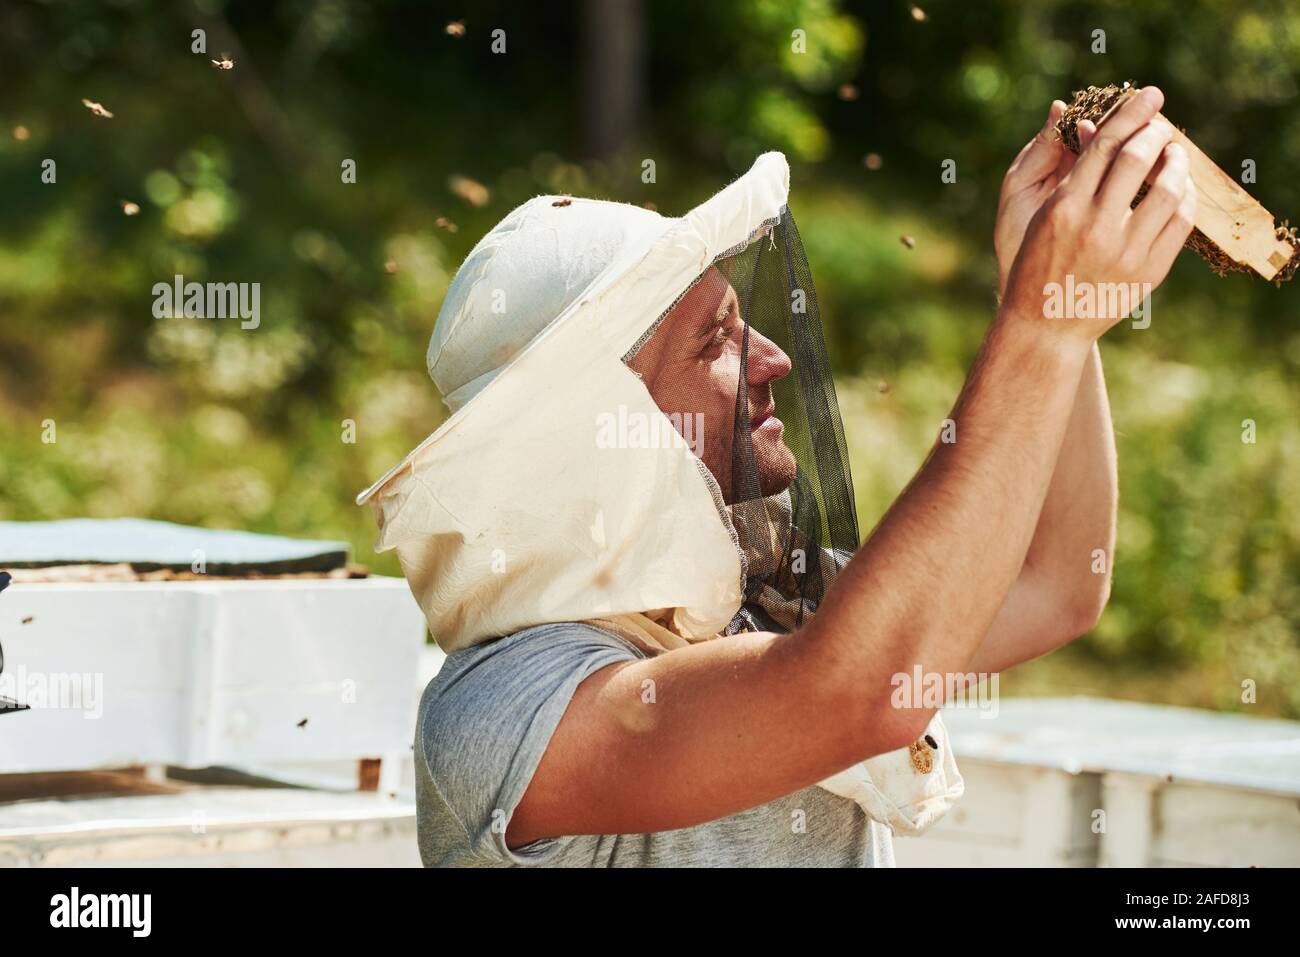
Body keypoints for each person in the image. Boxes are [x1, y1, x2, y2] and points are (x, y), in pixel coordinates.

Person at [357, 86, 1195, 867]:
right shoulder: (502, 708)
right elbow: (852, 690)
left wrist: (1054, 307)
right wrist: (1037, 329)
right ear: (592, 428)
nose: (772, 357)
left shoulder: (769, 606)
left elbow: (1054, 581)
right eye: (714, 338)